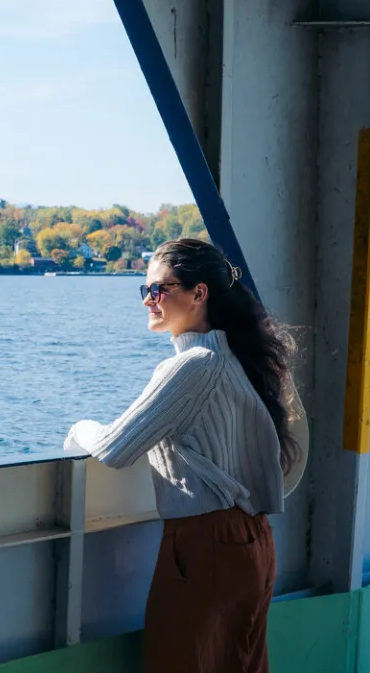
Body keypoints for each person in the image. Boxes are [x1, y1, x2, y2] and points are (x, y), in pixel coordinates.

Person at [64, 238, 299, 673]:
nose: (148, 301)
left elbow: (116, 448)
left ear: (199, 292)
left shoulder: (193, 366)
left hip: (205, 543)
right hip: (251, 540)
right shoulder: (234, 359)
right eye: (145, 291)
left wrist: (79, 428)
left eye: (159, 289)